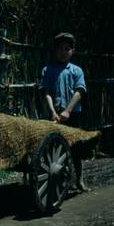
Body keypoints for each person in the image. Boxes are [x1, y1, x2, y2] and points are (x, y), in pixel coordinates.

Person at [39, 32, 88, 191]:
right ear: (55, 50)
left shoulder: (76, 70)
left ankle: (79, 180)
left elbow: (79, 92)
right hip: (54, 114)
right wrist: (53, 111)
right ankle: (60, 180)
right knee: (53, 148)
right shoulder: (48, 70)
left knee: (75, 149)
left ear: (72, 51)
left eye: (67, 49)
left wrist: (68, 111)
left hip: (72, 114)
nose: (63, 52)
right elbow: (46, 92)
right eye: (60, 49)